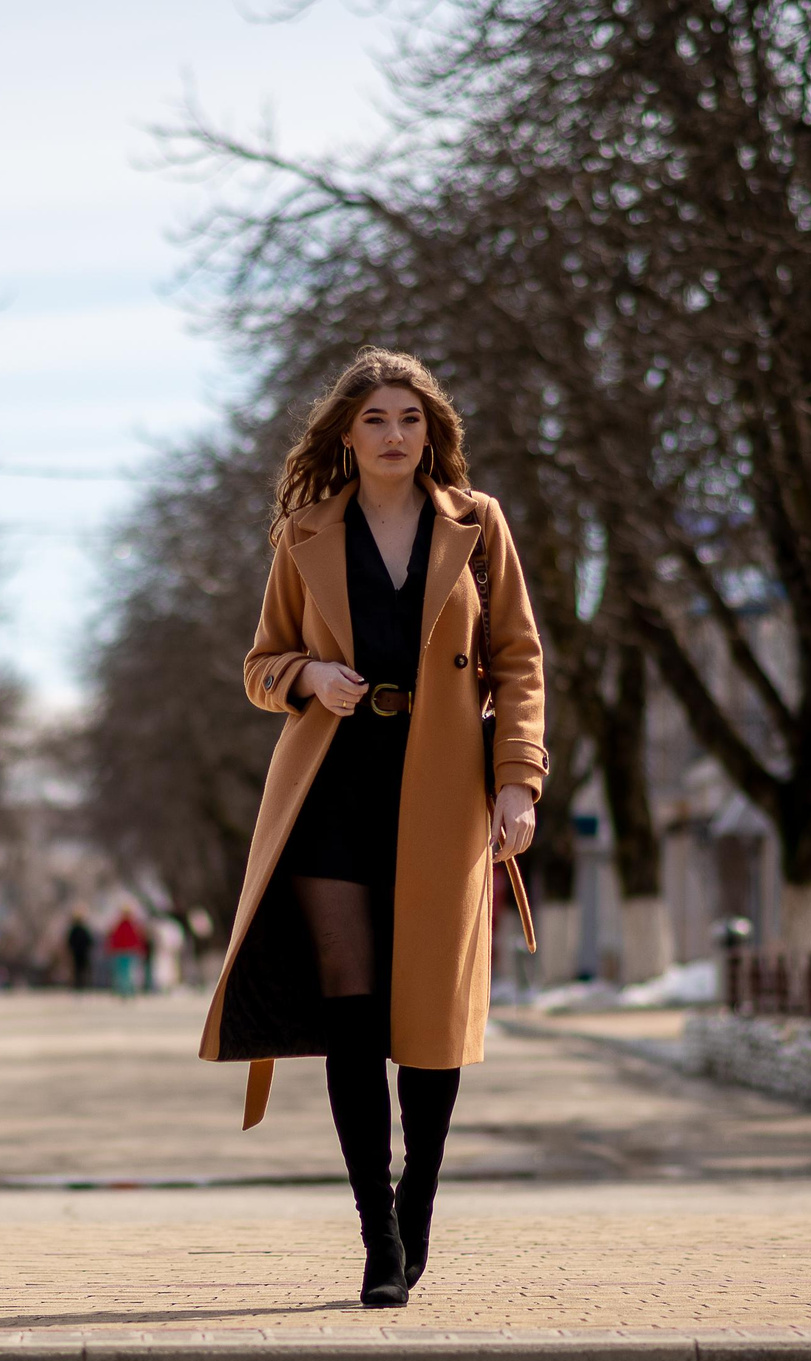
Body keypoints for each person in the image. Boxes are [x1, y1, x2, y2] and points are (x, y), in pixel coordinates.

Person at [198, 349, 545, 1309]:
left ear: (432, 431)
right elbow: (262, 664)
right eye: (377, 419)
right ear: (346, 435)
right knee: (352, 1013)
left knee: (429, 1016)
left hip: (443, 790)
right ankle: (377, 1234)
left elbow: (519, 660)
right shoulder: (305, 532)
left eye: (410, 418)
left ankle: (418, 1197)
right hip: (332, 787)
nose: (395, 434)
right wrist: (310, 676)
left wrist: (517, 781)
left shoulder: (478, 525)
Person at [106, 909, 148, 999]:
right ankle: (124, 990)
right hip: (123, 952)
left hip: (127, 952)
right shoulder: (126, 926)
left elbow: (136, 939)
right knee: (124, 973)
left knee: (127, 973)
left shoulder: (129, 926)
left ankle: (127, 990)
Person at [65, 913, 95, 992]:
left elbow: (70, 941)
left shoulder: (76, 930)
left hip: (79, 952)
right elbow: (89, 941)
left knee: (79, 969)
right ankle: (80, 984)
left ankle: (80, 984)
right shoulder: (79, 930)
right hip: (80, 953)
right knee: (80, 969)